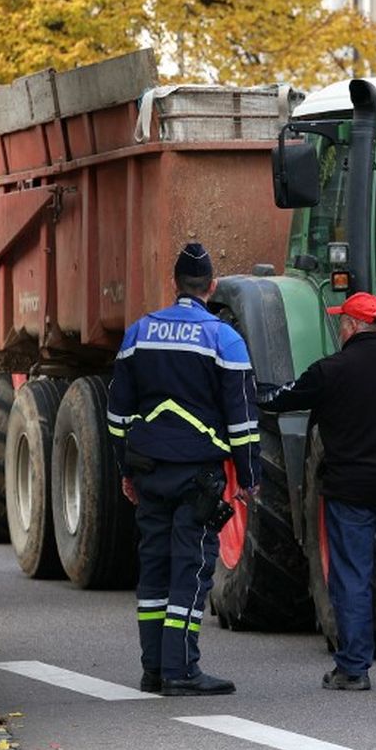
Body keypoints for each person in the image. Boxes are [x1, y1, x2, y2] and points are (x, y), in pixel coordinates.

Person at [259, 291, 376, 691]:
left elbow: (281, 400)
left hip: (350, 492)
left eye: (342, 321)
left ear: (351, 327)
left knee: (352, 578)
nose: (340, 327)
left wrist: (247, 389)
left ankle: (353, 670)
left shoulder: (330, 370)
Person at [106, 242, 260, 697]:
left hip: (150, 471)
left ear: (173, 285)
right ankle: (181, 671)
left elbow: (117, 414)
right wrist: (249, 477)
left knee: (153, 568)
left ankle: (153, 668)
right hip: (198, 476)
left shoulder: (138, 334)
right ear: (211, 287)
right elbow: (244, 421)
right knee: (191, 569)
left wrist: (126, 470)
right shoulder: (224, 339)